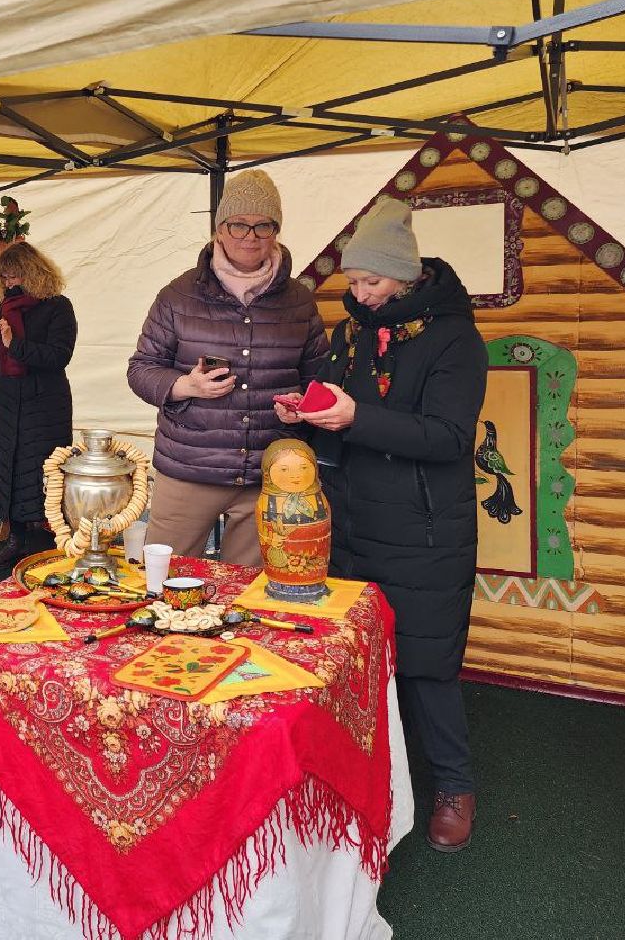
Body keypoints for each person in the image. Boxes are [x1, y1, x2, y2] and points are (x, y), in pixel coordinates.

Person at [275, 195, 488, 853]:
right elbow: (342, 407)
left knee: (426, 664)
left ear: (405, 275)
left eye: (370, 281)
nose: (359, 294)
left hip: (425, 529)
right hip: (354, 521)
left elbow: (449, 437)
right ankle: (367, 778)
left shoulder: (455, 338)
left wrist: (353, 418)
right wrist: (307, 414)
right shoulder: (352, 333)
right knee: (359, 660)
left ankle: (454, 786)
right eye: (354, 282)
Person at [128, 169, 327, 566]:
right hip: (188, 468)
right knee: (166, 582)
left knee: (248, 596)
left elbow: (319, 378)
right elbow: (141, 369)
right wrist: (185, 386)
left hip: (268, 475)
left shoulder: (299, 301)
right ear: (219, 230)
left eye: (262, 226)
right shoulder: (178, 296)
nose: (249, 237)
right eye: (238, 225)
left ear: (277, 231)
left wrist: (301, 406)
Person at [0, 242, 77, 571]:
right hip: (8, 399)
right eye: (3, 277)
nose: (8, 283)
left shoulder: (58, 307)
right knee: (9, 468)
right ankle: (16, 542)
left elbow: (59, 356)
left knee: (43, 471)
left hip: (44, 403)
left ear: (32, 273)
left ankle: (46, 544)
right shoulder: (4, 307)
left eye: (13, 275)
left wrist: (14, 344)